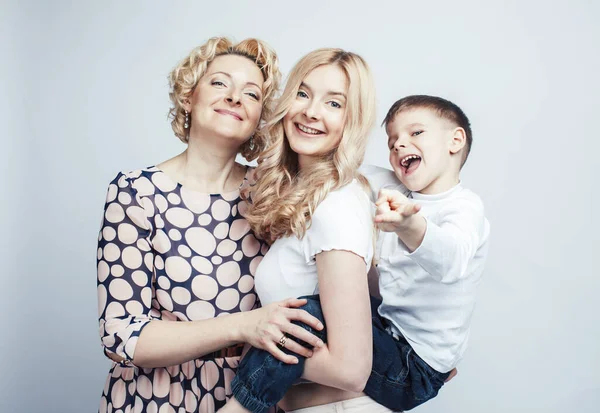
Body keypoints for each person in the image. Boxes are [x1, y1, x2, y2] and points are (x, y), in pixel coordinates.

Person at [95, 37, 325, 413]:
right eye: (220, 83)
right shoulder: (136, 192)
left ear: (259, 119)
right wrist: (244, 326)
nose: (235, 97)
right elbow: (120, 335)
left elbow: (333, 279)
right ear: (189, 97)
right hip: (156, 398)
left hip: (253, 396)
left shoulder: (273, 194)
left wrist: (413, 348)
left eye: (251, 94)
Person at [222, 94, 488, 413]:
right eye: (392, 141)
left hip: (414, 365)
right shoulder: (394, 188)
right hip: (388, 329)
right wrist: (262, 172)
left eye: (415, 133)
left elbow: (453, 260)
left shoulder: (463, 207)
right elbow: (338, 169)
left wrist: (410, 225)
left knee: (301, 321)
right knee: (321, 313)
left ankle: (240, 406)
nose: (400, 145)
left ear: (455, 140)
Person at [221, 48, 391, 413]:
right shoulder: (314, 196)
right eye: (303, 93)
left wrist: (254, 342)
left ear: (353, 120)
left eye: (334, 104)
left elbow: (350, 368)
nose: (311, 111)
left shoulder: (337, 206)